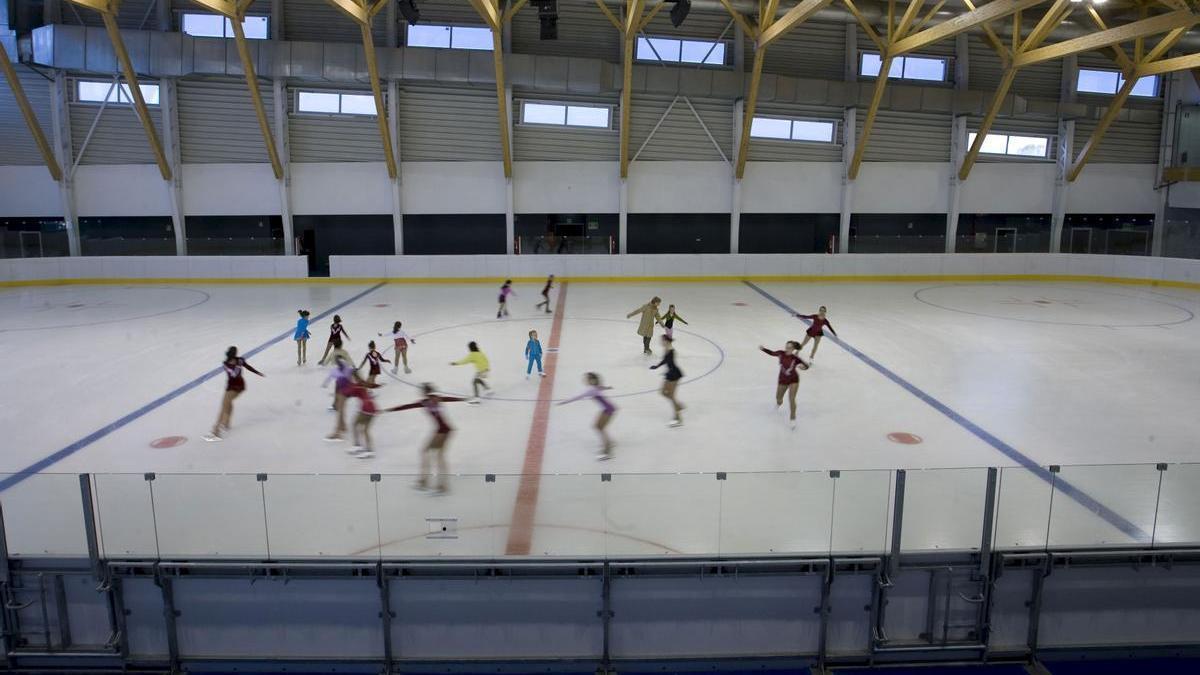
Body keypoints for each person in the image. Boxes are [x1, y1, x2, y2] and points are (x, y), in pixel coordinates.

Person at [385, 384, 467, 495]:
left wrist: (463, 398)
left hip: (445, 430)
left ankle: (440, 485)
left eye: (422, 391)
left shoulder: (435, 398)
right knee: (429, 453)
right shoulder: (425, 402)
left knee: (437, 455)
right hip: (441, 430)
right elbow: (409, 406)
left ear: (425, 392)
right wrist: (392, 409)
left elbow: (448, 399)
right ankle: (426, 482)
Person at [204, 346, 264, 441]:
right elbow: (233, 374)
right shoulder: (225, 364)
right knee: (227, 404)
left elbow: (248, 367)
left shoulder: (239, 360)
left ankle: (216, 431)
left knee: (224, 406)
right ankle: (226, 424)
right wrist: (238, 365)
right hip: (230, 387)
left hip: (238, 387)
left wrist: (258, 372)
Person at [558, 373, 617, 459]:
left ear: (592, 380)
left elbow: (578, 397)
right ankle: (609, 443)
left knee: (600, 428)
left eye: (587, 379)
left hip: (608, 409)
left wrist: (564, 402)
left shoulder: (590, 389)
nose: (585, 380)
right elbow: (600, 388)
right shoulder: (594, 387)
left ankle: (607, 451)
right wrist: (607, 388)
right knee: (597, 427)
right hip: (608, 408)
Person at [760, 341, 810, 427]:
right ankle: (778, 404)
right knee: (778, 398)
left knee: (792, 399)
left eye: (789, 348)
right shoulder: (780, 353)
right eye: (786, 347)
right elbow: (772, 353)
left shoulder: (795, 358)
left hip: (794, 379)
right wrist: (763, 349)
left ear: (793, 349)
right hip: (782, 380)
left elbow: (807, 366)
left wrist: (803, 367)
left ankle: (793, 418)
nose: (787, 349)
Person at [649, 335, 684, 427]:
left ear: (666, 341)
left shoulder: (671, 351)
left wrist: (667, 373)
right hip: (670, 373)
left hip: (674, 374)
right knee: (663, 393)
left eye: (662, 340)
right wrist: (657, 366)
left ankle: (678, 418)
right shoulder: (666, 349)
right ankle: (678, 405)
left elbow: (670, 362)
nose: (661, 342)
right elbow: (665, 360)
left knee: (671, 396)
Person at [322, 352, 356, 441]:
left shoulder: (336, 370)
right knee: (341, 409)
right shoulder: (347, 368)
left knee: (340, 410)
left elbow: (329, 378)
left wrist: (325, 384)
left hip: (342, 391)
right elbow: (351, 377)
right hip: (345, 390)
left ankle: (337, 432)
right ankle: (343, 426)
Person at [345, 380, 378, 458]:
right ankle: (370, 450)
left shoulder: (356, 388)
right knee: (365, 430)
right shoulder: (362, 388)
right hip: (373, 409)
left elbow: (347, 394)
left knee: (354, 424)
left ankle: (357, 445)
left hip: (366, 409)